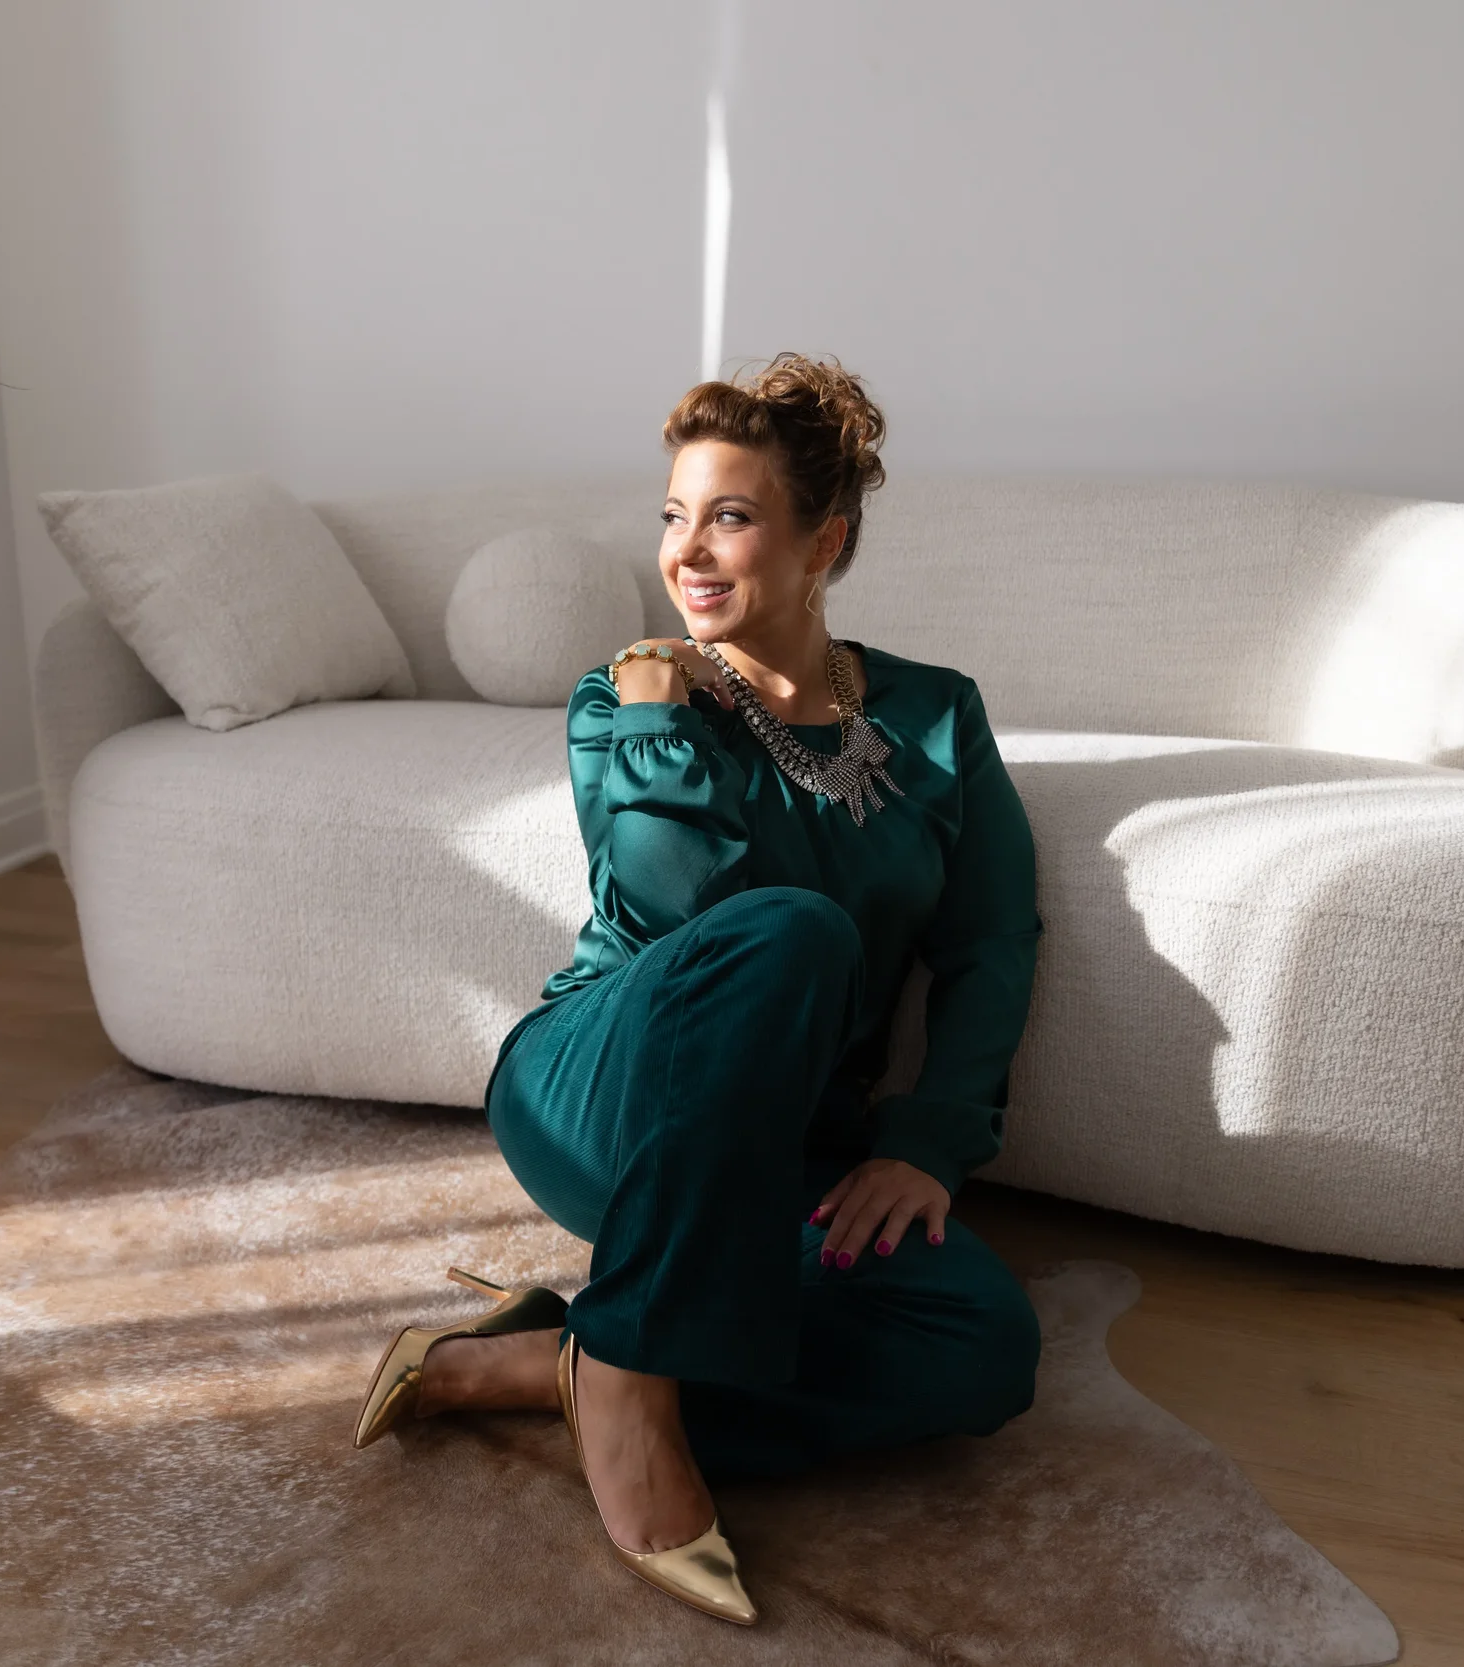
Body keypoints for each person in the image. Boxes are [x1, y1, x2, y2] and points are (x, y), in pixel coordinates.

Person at [351, 353, 1044, 1625]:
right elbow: (685, 913)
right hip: (600, 1086)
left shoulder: (938, 717)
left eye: (729, 515)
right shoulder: (627, 700)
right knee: (791, 929)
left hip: (785, 1141)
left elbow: (992, 942)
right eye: (673, 515)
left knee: (981, 1346)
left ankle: (550, 1358)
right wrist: (661, 724)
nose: (688, 550)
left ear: (821, 540)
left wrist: (929, 1145)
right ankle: (625, 1384)